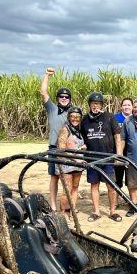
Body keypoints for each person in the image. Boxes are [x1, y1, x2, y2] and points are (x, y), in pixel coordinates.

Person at [80, 92, 122, 222]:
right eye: (93, 104)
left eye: (97, 104)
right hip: (92, 158)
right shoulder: (85, 120)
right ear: (89, 105)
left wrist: (119, 154)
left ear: (101, 105)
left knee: (111, 186)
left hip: (107, 158)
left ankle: (113, 211)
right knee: (94, 185)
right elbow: (81, 138)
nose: (95, 106)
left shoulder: (109, 117)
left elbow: (117, 136)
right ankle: (96, 212)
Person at [40, 67, 72, 211]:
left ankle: (67, 206)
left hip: (69, 150)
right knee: (54, 178)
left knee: (68, 178)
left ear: (70, 99)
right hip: (54, 148)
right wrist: (47, 75)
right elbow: (43, 92)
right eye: (61, 97)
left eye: (66, 97)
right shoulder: (52, 109)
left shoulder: (73, 113)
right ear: (58, 98)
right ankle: (53, 205)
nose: (64, 99)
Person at [57, 107, 86, 220]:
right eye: (73, 117)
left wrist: (83, 147)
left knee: (75, 187)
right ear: (69, 118)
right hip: (67, 164)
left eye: (78, 117)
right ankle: (62, 212)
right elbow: (61, 149)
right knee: (67, 189)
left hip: (78, 164)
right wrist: (76, 159)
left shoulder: (79, 130)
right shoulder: (65, 129)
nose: (75, 119)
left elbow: (78, 145)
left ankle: (72, 210)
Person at [114, 98, 133, 188]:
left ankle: (131, 201)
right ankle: (116, 200)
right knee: (117, 179)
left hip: (132, 153)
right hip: (118, 152)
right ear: (121, 107)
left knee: (131, 181)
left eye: (129, 105)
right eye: (124, 105)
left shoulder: (136, 118)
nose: (127, 107)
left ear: (132, 107)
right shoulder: (115, 118)